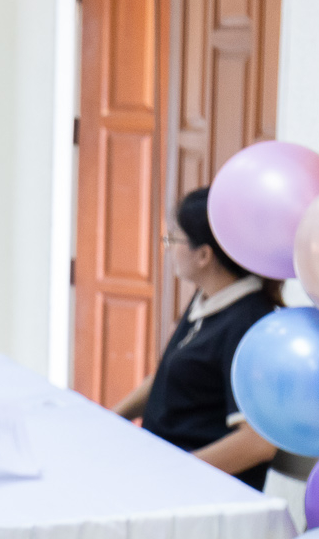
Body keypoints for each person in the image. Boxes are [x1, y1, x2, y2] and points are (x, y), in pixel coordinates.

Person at [110, 185, 282, 489]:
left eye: (174, 239)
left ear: (203, 255)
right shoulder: (206, 299)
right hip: (161, 468)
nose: (168, 247)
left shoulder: (248, 325)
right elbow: (168, 376)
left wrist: (173, 473)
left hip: (199, 490)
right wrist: (112, 417)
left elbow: (258, 443)